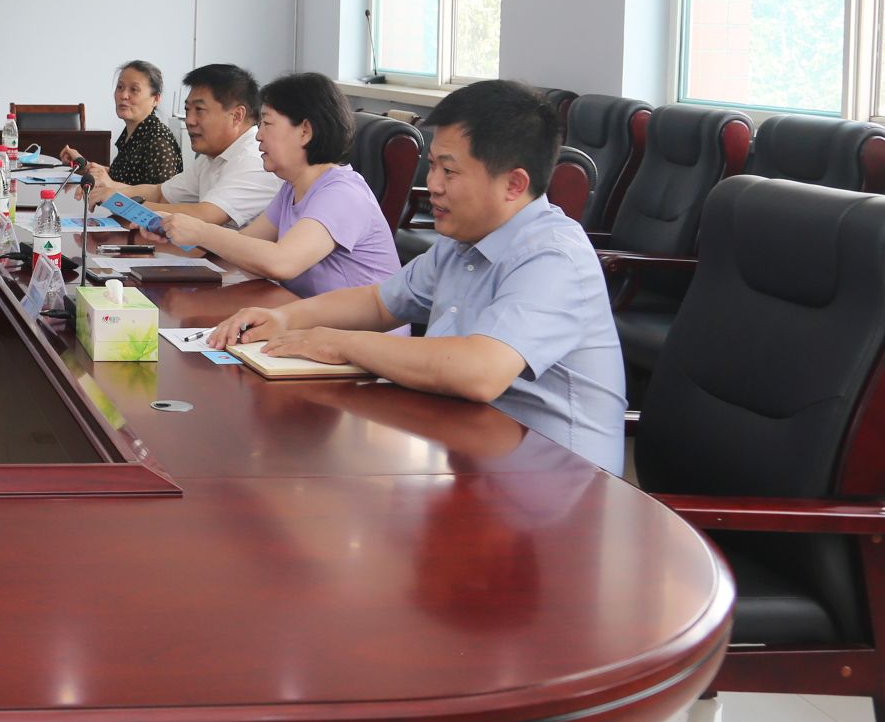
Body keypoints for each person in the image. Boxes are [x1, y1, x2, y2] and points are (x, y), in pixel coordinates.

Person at [208, 79, 626, 474]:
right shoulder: (461, 240)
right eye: (432, 166)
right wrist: (285, 318)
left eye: (450, 171)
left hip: (555, 483)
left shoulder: (552, 256)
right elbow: (378, 302)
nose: (432, 185)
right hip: (468, 450)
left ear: (514, 184)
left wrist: (338, 342)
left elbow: (480, 371)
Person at [147, 73, 399, 298]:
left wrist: (202, 232)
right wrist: (173, 230)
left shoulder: (342, 194)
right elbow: (244, 242)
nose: (258, 135)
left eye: (267, 124)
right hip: (306, 321)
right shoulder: (291, 188)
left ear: (305, 131)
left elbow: (282, 262)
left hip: (357, 333)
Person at [86, 63, 276, 228]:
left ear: (237, 116)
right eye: (187, 110)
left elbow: (205, 216)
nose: (189, 120)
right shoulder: (211, 157)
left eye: (199, 110)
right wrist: (111, 193)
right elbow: (161, 193)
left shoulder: (253, 159)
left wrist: (121, 203)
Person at [59, 60, 181, 188]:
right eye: (120, 87)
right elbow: (123, 177)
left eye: (134, 89)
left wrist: (110, 184)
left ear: (155, 99)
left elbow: (161, 196)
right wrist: (83, 165)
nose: (123, 95)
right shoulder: (134, 132)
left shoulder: (159, 141)